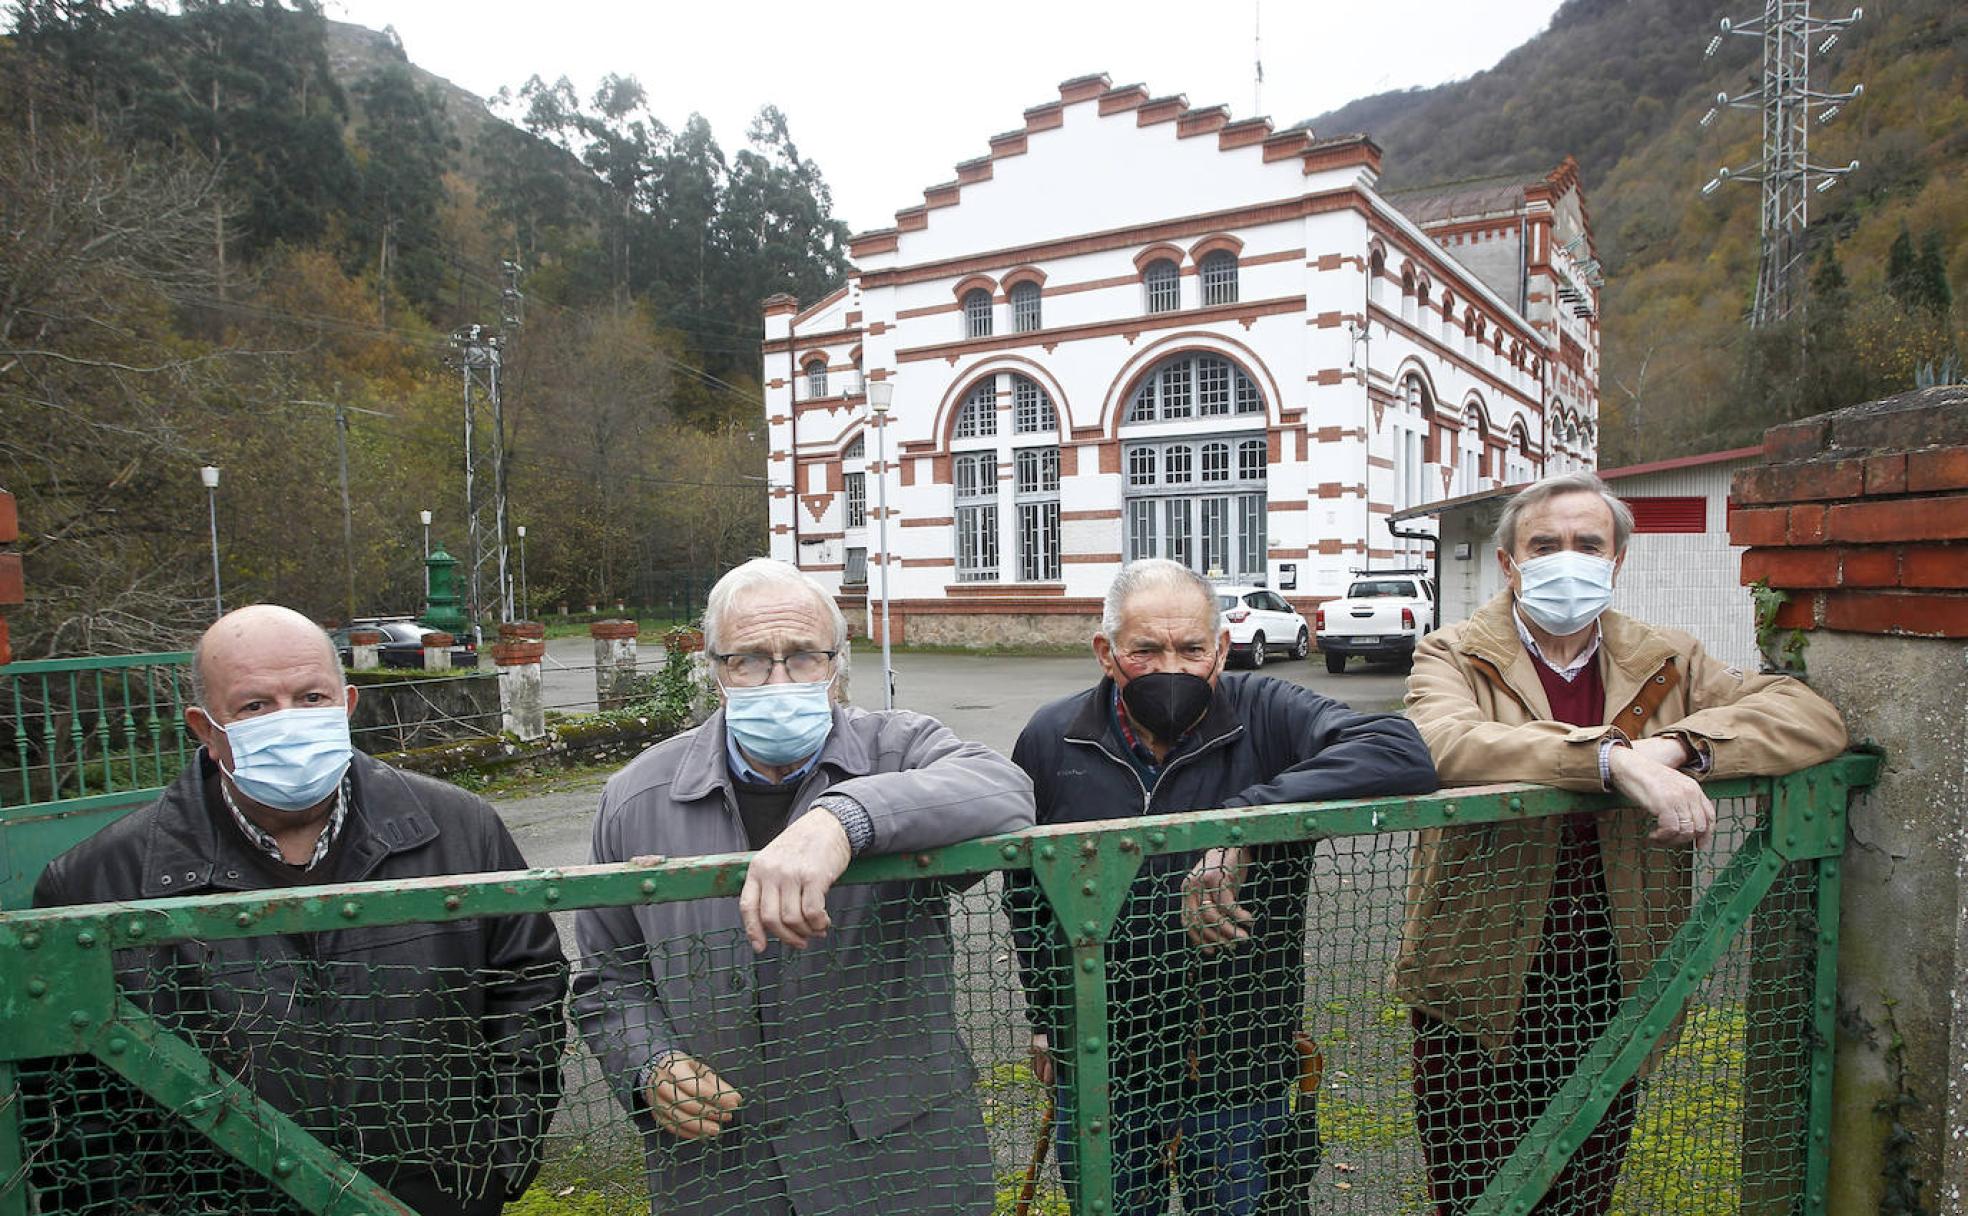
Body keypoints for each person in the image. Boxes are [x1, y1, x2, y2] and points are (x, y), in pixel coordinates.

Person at [1394, 471, 1848, 1215]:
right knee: (1475, 1190)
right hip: (1476, 980)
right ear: (1508, 563)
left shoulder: (1666, 658)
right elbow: (1446, 741)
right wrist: (1610, 759)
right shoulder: (1453, 653)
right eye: (1544, 545)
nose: (1565, 559)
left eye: (1586, 543)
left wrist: (1675, 749)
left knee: (1584, 1183)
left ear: (1616, 561)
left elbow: (1807, 716)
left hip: (1613, 975)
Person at [31, 603, 568, 1215]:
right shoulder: (97, 883)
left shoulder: (462, 831)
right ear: (206, 730)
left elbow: (529, 989)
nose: (290, 721)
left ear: (347, 706)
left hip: (436, 1200)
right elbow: (75, 1106)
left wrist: (501, 1160)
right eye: (255, 706)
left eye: (312, 696)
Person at [572, 558, 1035, 1216]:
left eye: (802, 657)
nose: (779, 678)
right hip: (722, 1168)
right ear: (717, 669)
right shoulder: (636, 796)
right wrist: (648, 1066)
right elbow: (606, 976)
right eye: (751, 659)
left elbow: (1005, 792)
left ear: (837, 664)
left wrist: (844, 822)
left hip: (897, 1163)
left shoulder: (901, 748)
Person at [1006, 558, 1437, 1216]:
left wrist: (1245, 824)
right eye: (1146, 650)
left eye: (1191, 648)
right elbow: (1026, 895)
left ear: (1222, 648)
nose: (1171, 669)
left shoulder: (1266, 712)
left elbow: (1397, 748)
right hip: (1103, 1060)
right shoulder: (1053, 736)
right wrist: (1046, 1021)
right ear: (1106, 652)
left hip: (1239, 1054)